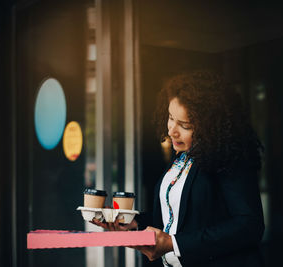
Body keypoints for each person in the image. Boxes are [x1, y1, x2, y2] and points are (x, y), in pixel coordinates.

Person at [92, 71, 265, 267]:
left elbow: (249, 226)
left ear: (209, 127)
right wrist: (132, 222)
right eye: (170, 117)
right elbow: (173, 220)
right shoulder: (182, 158)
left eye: (184, 125)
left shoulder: (229, 157)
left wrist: (174, 243)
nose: (172, 130)